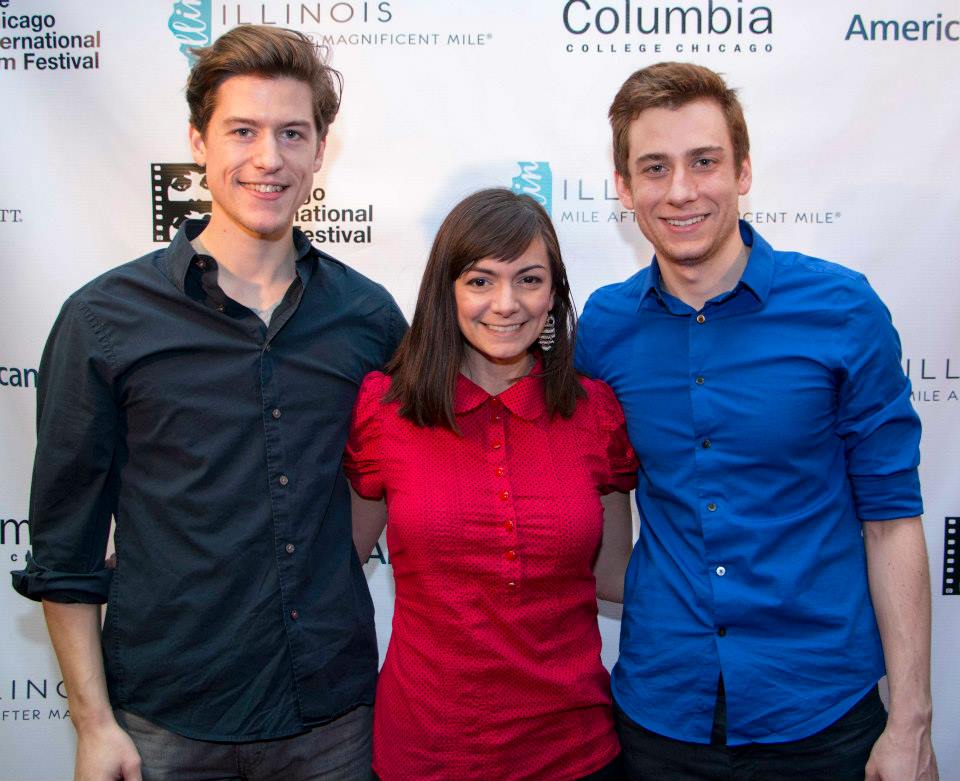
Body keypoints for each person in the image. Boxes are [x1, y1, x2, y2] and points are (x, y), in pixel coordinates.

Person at [11, 25, 405, 781]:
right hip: (167, 722)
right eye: (243, 131)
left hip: (332, 719)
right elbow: (65, 547)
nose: (269, 157)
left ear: (320, 150)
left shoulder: (369, 317)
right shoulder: (103, 319)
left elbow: (398, 470)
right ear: (198, 141)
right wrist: (93, 725)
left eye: (292, 133)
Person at [575, 62, 938, 781]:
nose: (681, 190)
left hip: (822, 717)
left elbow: (892, 519)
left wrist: (911, 721)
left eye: (703, 161)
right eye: (654, 167)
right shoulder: (604, 328)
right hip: (660, 717)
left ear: (742, 170)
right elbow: (590, 495)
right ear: (624, 188)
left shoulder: (842, 309)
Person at [345, 188, 637, 781]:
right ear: (445, 292)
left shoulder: (595, 413)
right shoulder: (387, 409)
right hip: (425, 754)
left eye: (529, 280)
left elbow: (616, 580)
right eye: (480, 281)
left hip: (576, 752)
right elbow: (340, 563)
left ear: (553, 294)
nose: (506, 304)